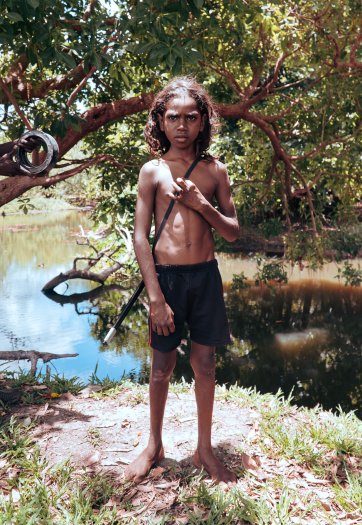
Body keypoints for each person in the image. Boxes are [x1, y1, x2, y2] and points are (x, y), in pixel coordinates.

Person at [124, 77, 240, 484]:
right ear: (160, 120)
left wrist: (200, 204)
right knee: (161, 366)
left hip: (204, 277)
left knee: (205, 363)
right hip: (167, 280)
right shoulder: (152, 171)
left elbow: (231, 232)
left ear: (203, 120)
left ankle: (203, 448)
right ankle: (154, 444)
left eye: (192, 117)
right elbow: (141, 237)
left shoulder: (215, 171)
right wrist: (155, 296)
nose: (182, 126)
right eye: (173, 117)